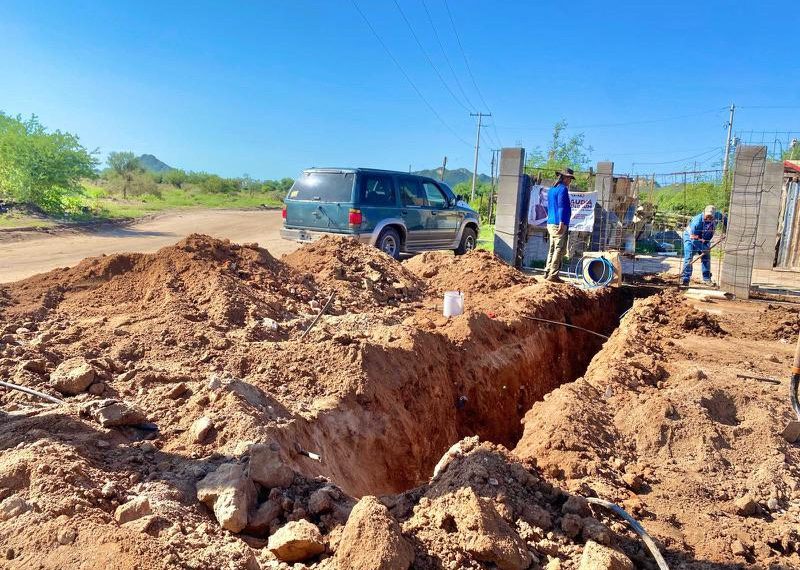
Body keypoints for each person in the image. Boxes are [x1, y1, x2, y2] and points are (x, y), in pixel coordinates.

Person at [544, 168, 574, 282]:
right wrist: (562, 222)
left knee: (552, 248)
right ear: (564, 178)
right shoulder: (563, 189)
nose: (570, 181)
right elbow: (561, 207)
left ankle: (547, 271)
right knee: (558, 249)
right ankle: (553, 274)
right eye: (569, 178)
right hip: (559, 223)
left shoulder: (552, 190)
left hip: (551, 222)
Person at [681, 205, 717, 286]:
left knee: (706, 257)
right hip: (690, 237)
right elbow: (693, 238)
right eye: (707, 215)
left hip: (703, 237)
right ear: (703, 212)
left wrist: (728, 227)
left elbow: (724, 218)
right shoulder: (697, 221)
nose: (708, 218)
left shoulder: (716, 216)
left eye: (711, 216)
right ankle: (685, 279)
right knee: (689, 257)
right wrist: (704, 248)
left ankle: (707, 278)